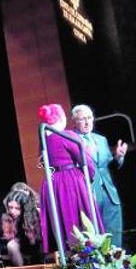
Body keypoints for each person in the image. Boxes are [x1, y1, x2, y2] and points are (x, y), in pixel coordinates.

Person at [38, 103, 104, 254]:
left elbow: (41, 163)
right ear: (61, 118)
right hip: (71, 182)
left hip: (52, 182)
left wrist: (54, 174)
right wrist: (89, 177)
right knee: (80, 220)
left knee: (62, 222)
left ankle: (69, 257)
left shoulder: (43, 139)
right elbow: (86, 162)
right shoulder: (67, 135)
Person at [72, 104, 126, 247]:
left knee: (114, 235)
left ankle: (117, 265)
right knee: (94, 236)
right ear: (74, 121)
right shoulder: (71, 140)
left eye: (89, 118)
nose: (87, 122)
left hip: (109, 193)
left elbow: (108, 166)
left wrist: (118, 157)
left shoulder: (101, 139)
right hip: (89, 193)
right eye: (82, 119)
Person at [0, 188, 42, 267]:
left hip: (29, 244)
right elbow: (0, 233)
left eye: (17, 208)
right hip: (8, 241)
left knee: (12, 245)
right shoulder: (4, 215)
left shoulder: (32, 215)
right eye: (10, 207)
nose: (12, 211)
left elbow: (34, 240)